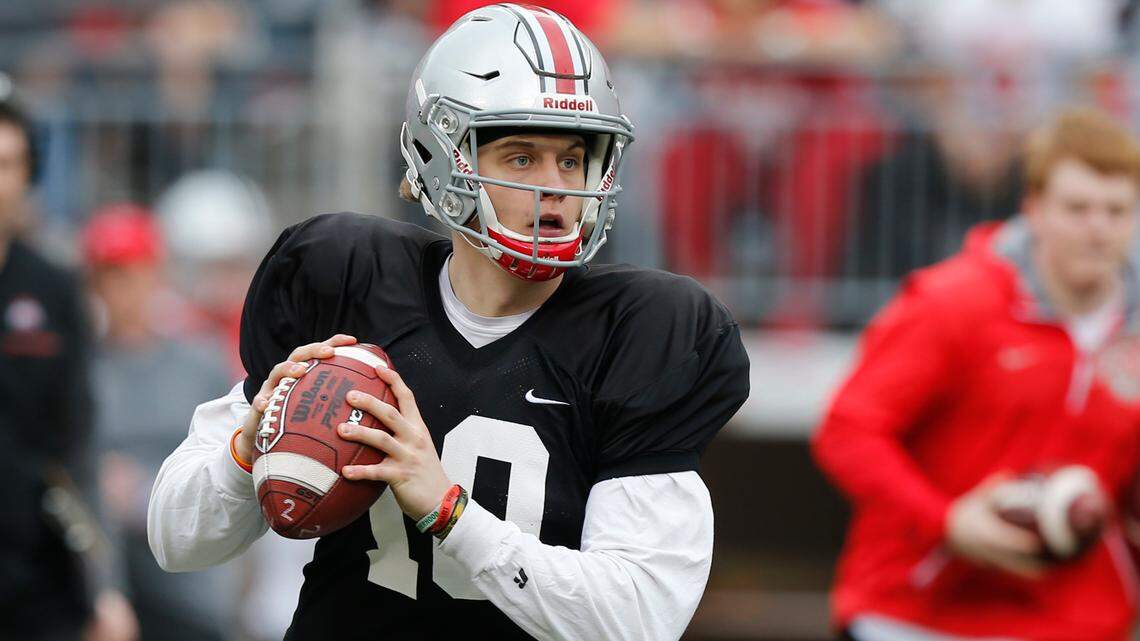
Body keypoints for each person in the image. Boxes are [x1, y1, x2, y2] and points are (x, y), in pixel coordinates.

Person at [147, 5, 750, 641]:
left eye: (571, 160)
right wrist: (248, 447)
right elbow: (176, 540)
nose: (557, 189)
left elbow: (637, 621)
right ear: (443, 154)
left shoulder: (641, 334)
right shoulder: (347, 283)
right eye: (522, 159)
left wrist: (449, 512)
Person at [813, 107, 1140, 641]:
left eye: (1117, 210)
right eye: (1078, 208)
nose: (1098, 228)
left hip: (1073, 621)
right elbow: (848, 431)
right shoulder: (954, 303)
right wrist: (947, 521)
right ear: (1033, 208)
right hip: (916, 614)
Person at [0, 99, 135, 640]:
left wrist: (104, 587)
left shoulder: (54, 290)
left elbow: (80, 448)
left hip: (37, 575)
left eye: (7, 163)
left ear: (29, 176)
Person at [82, 205, 238, 641]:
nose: (121, 290)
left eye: (131, 273)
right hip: (109, 580)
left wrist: (137, 492)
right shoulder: (82, 368)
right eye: (108, 276)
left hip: (191, 578)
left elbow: (233, 457)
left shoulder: (199, 361)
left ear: (156, 273)